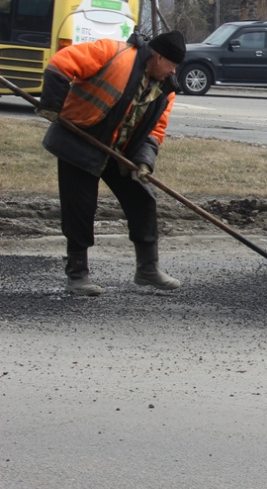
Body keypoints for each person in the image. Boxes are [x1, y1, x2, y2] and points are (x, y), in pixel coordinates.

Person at [35, 30, 187, 295]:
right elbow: (62, 62)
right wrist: (51, 104)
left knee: (143, 198)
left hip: (120, 150)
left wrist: (144, 161)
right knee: (80, 208)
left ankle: (147, 269)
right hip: (79, 142)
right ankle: (77, 275)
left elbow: (156, 129)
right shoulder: (113, 53)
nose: (173, 71)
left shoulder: (166, 89)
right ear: (158, 56)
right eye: (172, 64)